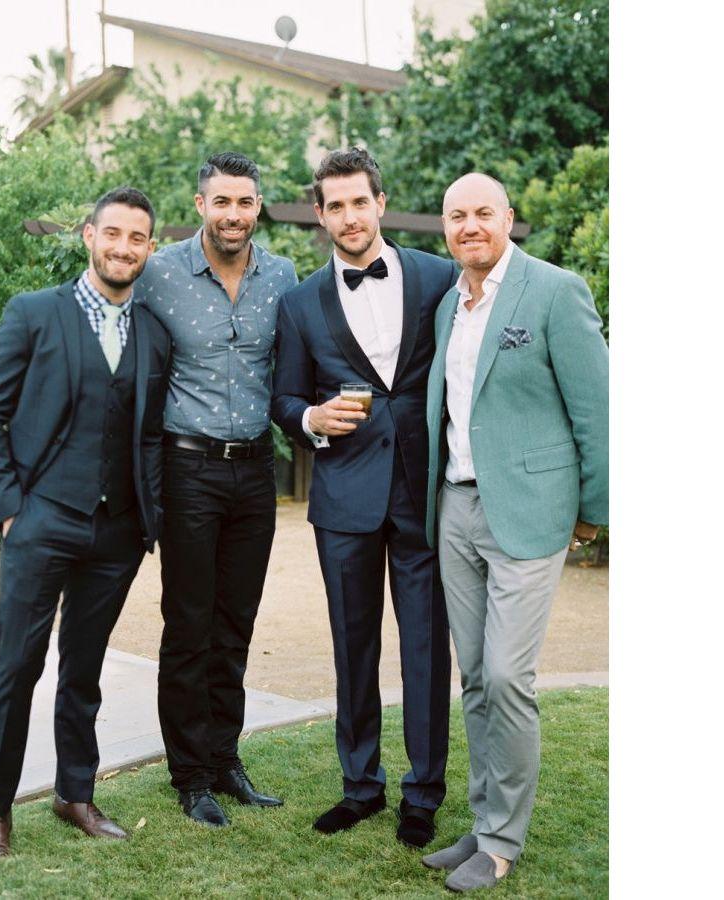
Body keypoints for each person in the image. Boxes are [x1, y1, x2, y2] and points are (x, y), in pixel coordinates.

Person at [0, 186, 171, 859]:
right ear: (89, 236)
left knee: (84, 669)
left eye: (136, 238)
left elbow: (148, 434)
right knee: (17, 667)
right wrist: (9, 509)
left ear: (149, 247)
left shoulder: (153, 331)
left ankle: (74, 793)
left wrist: (147, 520)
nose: (123, 248)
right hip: (41, 520)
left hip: (117, 533)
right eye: (112, 233)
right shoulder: (34, 312)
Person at [420, 173, 608, 892]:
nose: (469, 226)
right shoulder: (449, 305)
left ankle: (502, 841)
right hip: (456, 509)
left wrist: (592, 513)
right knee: (474, 678)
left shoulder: (555, 292)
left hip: (530, 512)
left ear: (508, 218)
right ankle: (483, 822)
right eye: (456, 216)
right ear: (445, 227)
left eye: (483, 213)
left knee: (506, 677)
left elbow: (597, 411)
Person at [271, 147, 455, 848]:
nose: (349, 217)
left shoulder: (438, 277)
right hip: (344, 498)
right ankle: (360, 787)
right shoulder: (299, 304)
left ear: (380, 202)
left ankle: (423, 793)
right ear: (320, 215)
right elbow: (285, 398)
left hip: (423, 492)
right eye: (335, 206)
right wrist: (313, 419)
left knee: (425, 649)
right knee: (353, 648)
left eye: (359, 201)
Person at [133, 152, 298, 827]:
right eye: (222, 201)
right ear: (201, 204)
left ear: (258, 208)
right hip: (188, 469)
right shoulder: (160, 273)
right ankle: (191, 775)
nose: (234, 214)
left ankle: (226, 760)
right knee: (189, 623)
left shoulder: (282, 276)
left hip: (255, 472)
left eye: (245, 202)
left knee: (235, 623)